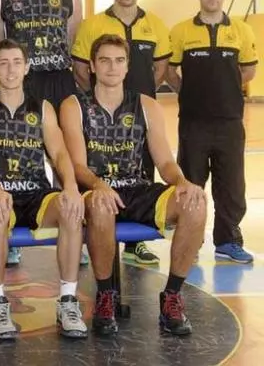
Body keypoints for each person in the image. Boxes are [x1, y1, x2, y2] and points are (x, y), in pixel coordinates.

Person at [61, 34, 207, 336]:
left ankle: (172, 297)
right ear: (92, 66)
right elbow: (77, 166)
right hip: (96, 190)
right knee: (101, 204)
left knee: (196, 203)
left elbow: (164, 162)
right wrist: (99, 185)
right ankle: (106, 297)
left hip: (137, 189)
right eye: (104, 60)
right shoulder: (74, 106)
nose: (112, 67)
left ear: (127, 66)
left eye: (119, 61)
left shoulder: (146, 105)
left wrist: (182, 182)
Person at [0, 39, 86, 340]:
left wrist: (71, 187)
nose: (10, 70)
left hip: (35, 192)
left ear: (27, 67)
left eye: (17, 62)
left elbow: (59, 153)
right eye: (3, 63)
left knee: (71, 209)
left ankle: (68, 301)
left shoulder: (42, 107)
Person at [0, 0, 83, 266]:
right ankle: (8, 227)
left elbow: (73, 38)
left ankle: (72, 218)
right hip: (24, 81)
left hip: (59, 79)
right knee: (11, 148)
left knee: (63, 151)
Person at [72, 0, 171, 264]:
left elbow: (160, 70)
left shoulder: (155, 24)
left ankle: (135, 243)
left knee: (140, 175)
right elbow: (80, 69)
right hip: (101, 111)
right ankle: (90, 235)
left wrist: (135, 100)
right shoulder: (93, 24)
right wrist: (104, 95)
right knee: (91, 171)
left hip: (137, 115)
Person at [167, 0, 258, 264]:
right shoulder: (181, 31)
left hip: (230, 122)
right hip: (193, 123)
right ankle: (191, 242)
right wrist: (187, 90)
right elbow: (170, 71)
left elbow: (248, 70)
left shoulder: (241, 31)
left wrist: (225, 89)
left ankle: (228, 241)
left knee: (231, 186)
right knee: (191, 183)